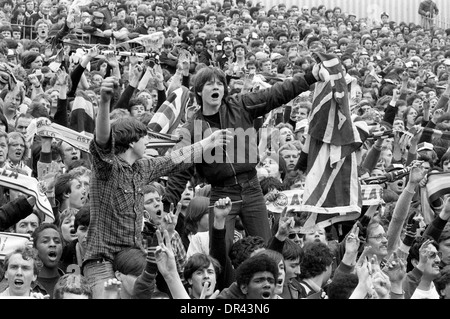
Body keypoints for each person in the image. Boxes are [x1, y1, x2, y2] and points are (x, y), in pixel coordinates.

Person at [82, 76, 232, 299]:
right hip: (102, 262)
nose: (149, 143)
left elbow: (174, 160)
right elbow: (103, 140)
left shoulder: (142, 168)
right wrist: (104, 102)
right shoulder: (107, 168)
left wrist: (206, 143)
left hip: (133, 259)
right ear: (132, 141)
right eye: (145, 138)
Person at [164, 64, 319, 255]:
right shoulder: (191, 128)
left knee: (265, 248)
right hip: (221, 192)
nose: (216, 87)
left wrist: (310, 76)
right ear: (198, 91)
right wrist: (166, 205)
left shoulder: (240, 105)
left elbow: (276, 94)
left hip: (252, 188)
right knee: (220, 252)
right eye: (209, 84)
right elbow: (179, 171)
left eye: (220, 84)